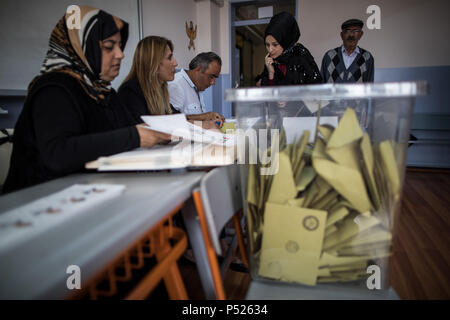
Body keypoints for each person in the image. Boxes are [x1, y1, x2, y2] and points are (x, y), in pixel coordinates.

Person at [3, 6, 170, 193]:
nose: (120, 54)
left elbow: (132, 128)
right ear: (81, 46)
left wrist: (161, 134)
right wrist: (136, 136)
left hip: (87, 192)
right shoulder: (54, 88)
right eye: (108, 46)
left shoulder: (102, 91)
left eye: (119, 46)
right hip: (37, 200)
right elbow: (58, 153)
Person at [118, 38, 223, 128]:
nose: (175, 63)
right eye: (169, 58)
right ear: (153, 62)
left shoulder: (159, 90)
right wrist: (202, 125)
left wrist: (204, 121)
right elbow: (152, 130)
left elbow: (175, 118)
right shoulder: (130, 92)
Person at [258, 11, 322, 86]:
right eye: (267, 45)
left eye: (275, 45)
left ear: (286, 42)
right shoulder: (270, 61)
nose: (270, 50)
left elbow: (316, 89)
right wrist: (271, 73)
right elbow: (268, 94)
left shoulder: (300, 55)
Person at [168, 52, 225, 125]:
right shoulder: (176, 85)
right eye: (211, 77)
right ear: (198, 70)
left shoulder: (197, 87)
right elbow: (172, 121)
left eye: (215, 78)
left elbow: (196, 122)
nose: (213, 83)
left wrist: (210, 120)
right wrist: (204, 117)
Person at [321, 18, 374, 83]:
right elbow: (322, 83)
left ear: (361, 34)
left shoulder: (367, 57)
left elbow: (369, 85)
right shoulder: (330, 56)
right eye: (347, 31)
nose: (351, 35)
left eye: (356, 31)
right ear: (341, 35)